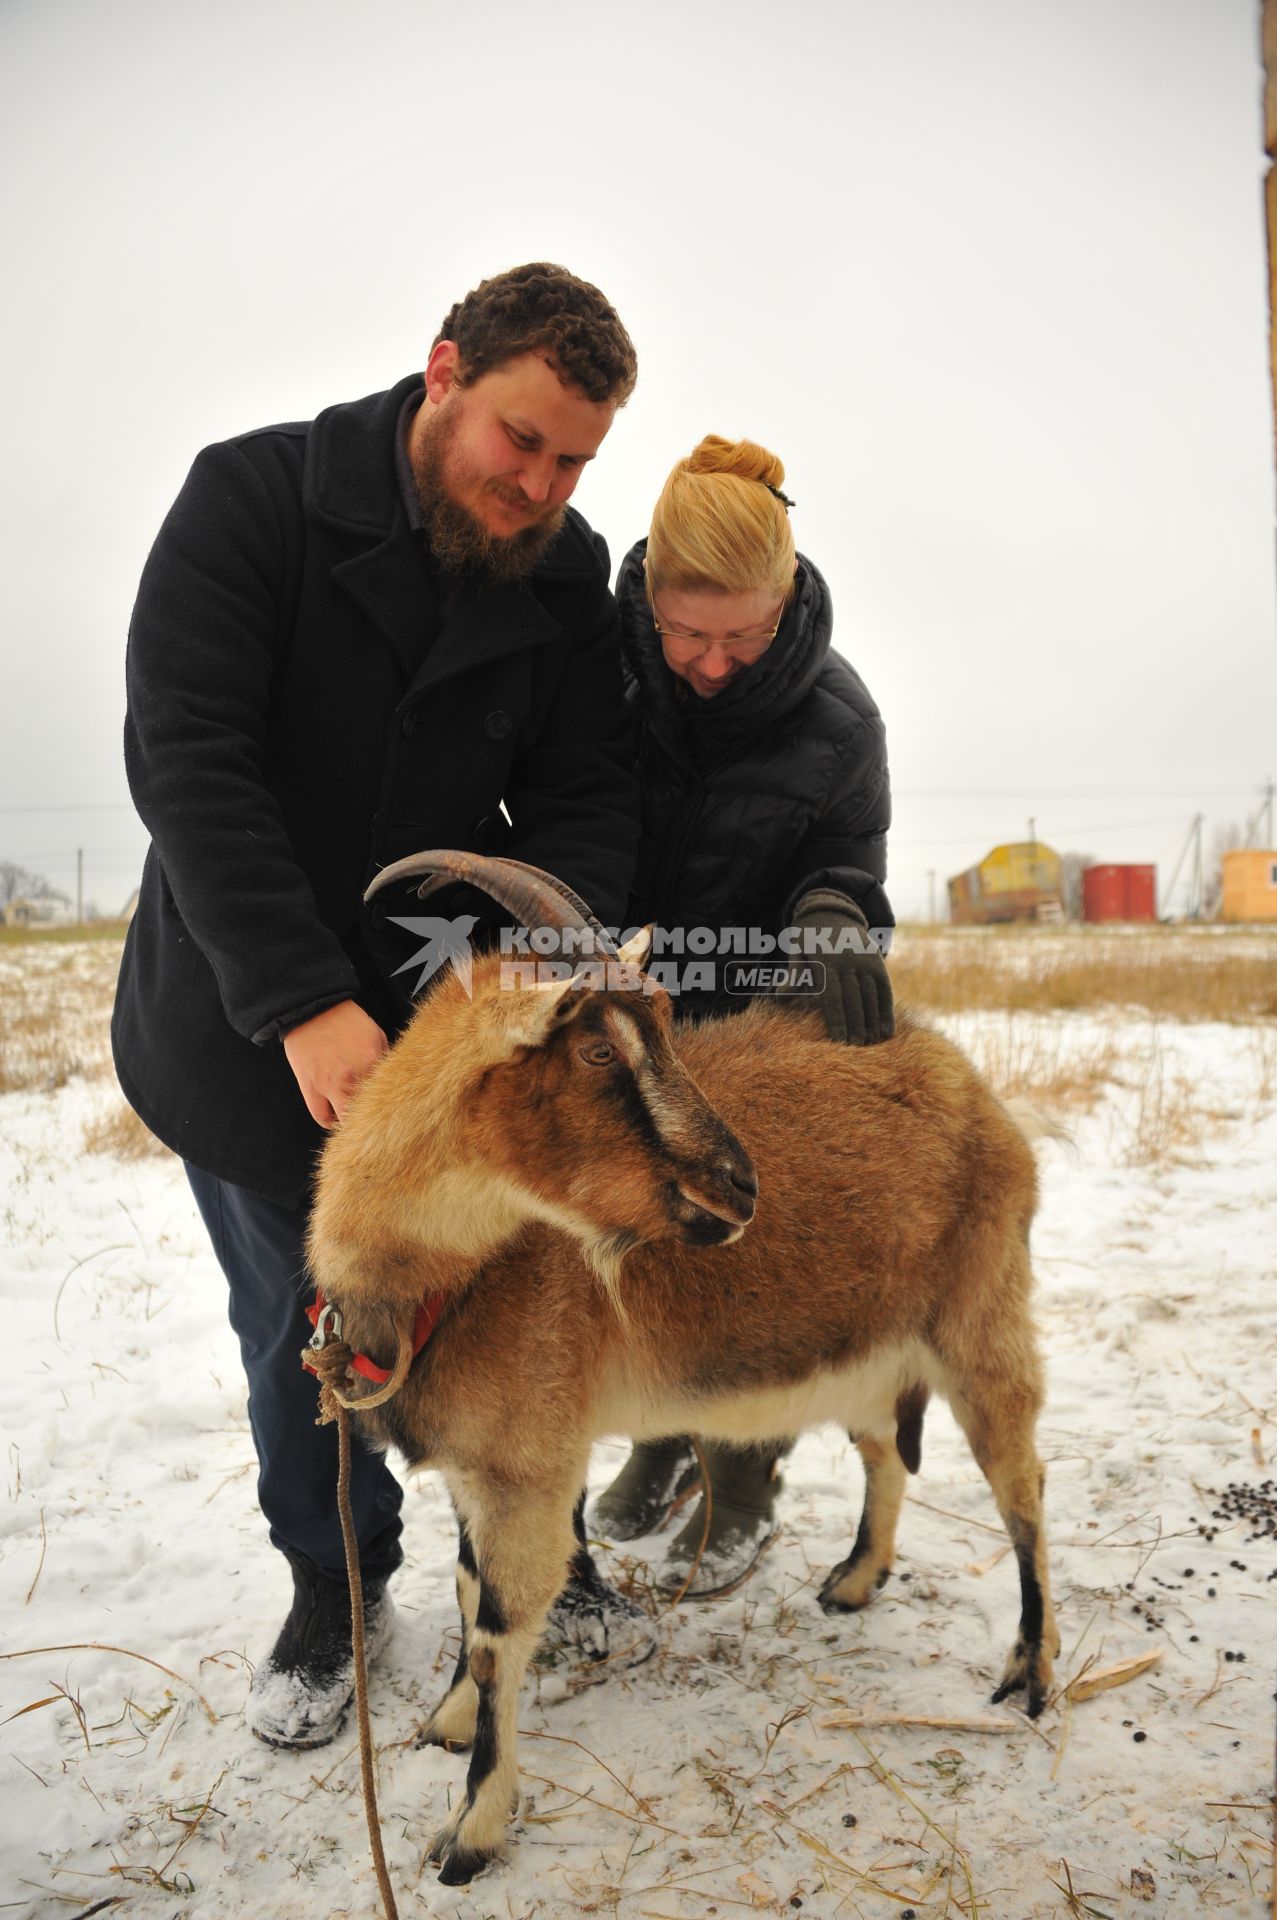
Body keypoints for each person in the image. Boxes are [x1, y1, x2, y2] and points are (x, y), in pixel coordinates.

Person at [113, 263, 646, 1748]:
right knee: (311, 1321)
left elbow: (585, 792)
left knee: (515, 1297)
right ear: (442, 375)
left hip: (453, 1022)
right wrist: (297, 1002)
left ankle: (533, 1542)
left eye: (571, 461)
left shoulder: (563, 570)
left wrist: (526, 973)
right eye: (517, 441)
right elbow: (189, 759)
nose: (537, 484)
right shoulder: (253, 501)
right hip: (245, 1004)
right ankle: (331, 1584)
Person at [590, 434, 894, 1596]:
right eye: (686, 633)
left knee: (740, 1246)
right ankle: (663, 1436)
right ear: (648, 594)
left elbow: (845, 862)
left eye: (743, 636)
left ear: (785, 599)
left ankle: (746, 1467)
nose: (712, 665)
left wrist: (830, 914)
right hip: (623, 1013)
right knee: (636, 1238)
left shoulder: (837, 720)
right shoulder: (597, 672)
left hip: (753, 1021)